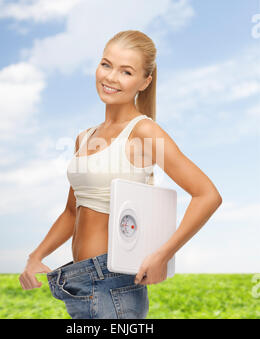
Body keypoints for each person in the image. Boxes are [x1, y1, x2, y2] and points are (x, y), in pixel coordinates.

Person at [19, 30, 222, 319]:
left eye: (126, 71)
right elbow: (71, 211)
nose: (111, 77)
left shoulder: (143, 131)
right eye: (106, 64)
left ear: (145, 81)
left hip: (115, 284)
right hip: (79, 282)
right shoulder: (85, 137)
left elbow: (207, 195)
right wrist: (36, 255)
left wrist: (163, 255)